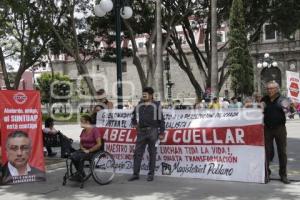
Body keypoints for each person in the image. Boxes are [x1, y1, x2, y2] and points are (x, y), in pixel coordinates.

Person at [128, 87, 165, 182]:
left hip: (153, 131)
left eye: (146, 94)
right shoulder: (139, 104)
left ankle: (151, 174)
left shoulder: (157, 105)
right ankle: (135, 174)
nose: (144, 95)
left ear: (151, 95)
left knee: (152, 153)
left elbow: (161, 120)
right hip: (141, 132)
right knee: (137, 153)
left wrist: (161, 132)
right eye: (143, 94)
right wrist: (135, 123)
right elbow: (133, 115)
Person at [261, 81, 290, 184]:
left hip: (280, 129)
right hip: (267, 128)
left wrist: (288, 107)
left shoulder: (283, 99)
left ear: (277, 89)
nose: (269, 90)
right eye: (268, 89)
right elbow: (260, 109)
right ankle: (266, 174)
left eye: (271, 88)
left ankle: (283, 175)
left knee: (282, 152)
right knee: (266, 152)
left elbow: (288, 111)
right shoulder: (264, 99)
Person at [70, 115, 102, 180]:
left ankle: (80, 174)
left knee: (81, 157)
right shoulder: (83, 131)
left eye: (82, 121)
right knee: (72, 156)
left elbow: (99, 144)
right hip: (84, 150)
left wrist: (89, 150)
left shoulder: (94, 130)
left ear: (87, 122)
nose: (80, 123)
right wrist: (82, 148)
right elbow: (81, 143)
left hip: (93, 151)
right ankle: (81, 173)